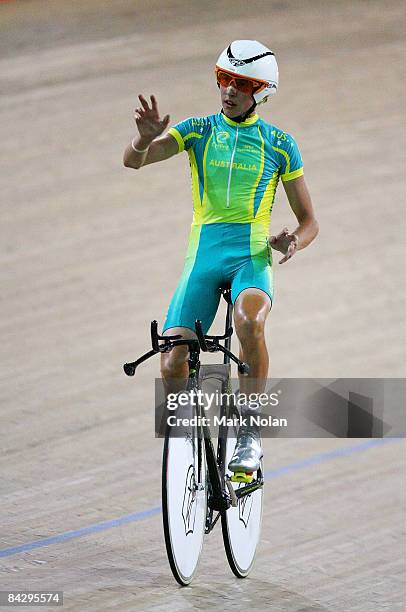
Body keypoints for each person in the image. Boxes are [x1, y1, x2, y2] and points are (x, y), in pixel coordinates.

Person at [123, 40, 319, 477]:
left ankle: (249, 433)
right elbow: (133, 162)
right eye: (223, 78)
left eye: (242, 83)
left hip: (251, 257)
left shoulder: (280, 145)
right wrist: (143, 138)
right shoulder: (198, 130)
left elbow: (310, 222)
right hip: (204, 257)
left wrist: (293, 243)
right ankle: (192, 445)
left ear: (262, 92)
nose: (229, 89)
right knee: (172, 361)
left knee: (249, 320)